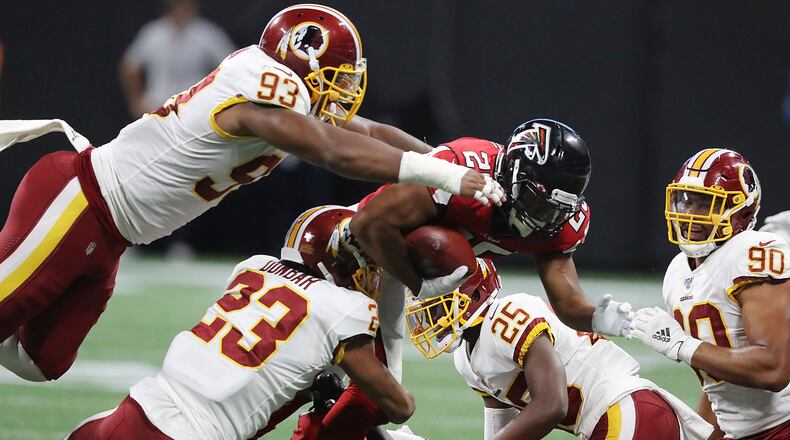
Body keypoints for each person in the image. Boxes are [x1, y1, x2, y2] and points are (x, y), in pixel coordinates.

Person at [0, 4, 503, 383]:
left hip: (114, 235)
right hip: (83, 201)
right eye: (338, 77)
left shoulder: (285, 95)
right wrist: (443, 178)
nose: (345, 90)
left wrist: (450, 159)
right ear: (304, 61)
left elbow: (369, 133)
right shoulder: (264, 87)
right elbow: (333, 151)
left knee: (40, 363)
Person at [293, 119, 635, 439]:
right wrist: (419, 284)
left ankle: (321, 418)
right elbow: (367, 224)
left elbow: (566, 299)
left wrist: (593, 316)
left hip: (391, 272)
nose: (544, 221)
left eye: (557, 212)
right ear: (515, 176)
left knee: (378, 401)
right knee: (333, 384)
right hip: (345, 252)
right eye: (539, 205)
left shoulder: (554, 222)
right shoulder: (464, 172)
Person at [66, 206, 415, 439]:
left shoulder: (253, 267)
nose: (372, 272)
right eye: (365, 262)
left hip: (120, 417)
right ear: (339, 259)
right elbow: (397, 407)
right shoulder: (346, 308)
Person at [406, 258, 712, 440]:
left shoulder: (507, 315)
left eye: (436, 306)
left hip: (625, 408)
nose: (429, 317)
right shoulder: (466, 357)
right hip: (612, 420)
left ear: (472, 295)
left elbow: (552, 406)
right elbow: (503, 427)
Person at [630, 148, 790, 439]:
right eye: (685, 200)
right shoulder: (677, 271)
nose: (690, 213)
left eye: (705, 204)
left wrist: (682, 345)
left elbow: (774, 369)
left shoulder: (753, 252)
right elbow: (717, 382)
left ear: (740, 211)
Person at [119, 0, 236, 118]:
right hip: (156, 106)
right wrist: (135, 99)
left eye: (185, 6)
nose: (181, 11)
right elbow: (130, 66)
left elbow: (232, 64)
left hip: (193, 107)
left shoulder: (206, 33)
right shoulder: (154, 33)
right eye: (176, 6)